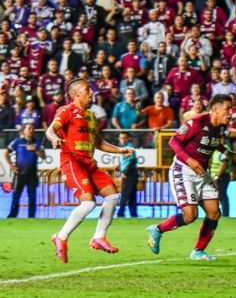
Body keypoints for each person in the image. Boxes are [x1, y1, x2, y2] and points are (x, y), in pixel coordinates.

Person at [46, 79, 135, 263]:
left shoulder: (91, 116)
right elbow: (50, 130)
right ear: (76, 93)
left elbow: (99, 143)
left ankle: (99, 237)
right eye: (87, 90)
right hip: (72, 161)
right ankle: (60, 237)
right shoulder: (66, 111)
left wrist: (120, 150)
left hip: (89, 163)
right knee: (88, 204)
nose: (91, 93)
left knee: (112, 196)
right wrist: (54, 139)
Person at [146, 95, 236, 261]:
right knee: (190, 215)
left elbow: (213, 142)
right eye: (227, 109)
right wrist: (190, 160)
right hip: (183, 170)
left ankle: (198, 251)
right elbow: (174, 141)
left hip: (201, 173)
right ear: (215, 110)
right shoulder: (196, 123)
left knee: (214, 212)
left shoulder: (220, 128)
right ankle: (157, 230)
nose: (230, 113)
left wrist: (227, 152)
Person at [5, 123, 45, 218]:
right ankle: (12, 216)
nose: (31, 130)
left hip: (32, 174)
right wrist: (11, 166)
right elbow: (6, 153)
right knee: (16, 196)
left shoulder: (37, 142)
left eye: (33, 129)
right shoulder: (17, 141)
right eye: (29, 128)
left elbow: (43, 156)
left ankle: (31, 217)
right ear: (24, 130)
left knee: (32, 197)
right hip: (19, 174)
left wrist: (35, 150)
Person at [116, 132, 139, 218]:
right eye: (121, 138)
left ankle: (120, 213)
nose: (123, 139)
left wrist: (125, 173)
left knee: (125, 194)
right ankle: (133, 214)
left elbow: (132, 161)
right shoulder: (125, 147)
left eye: (124, 138)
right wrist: (118, 165)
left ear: (128, 138)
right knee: (132, 195)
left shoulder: (129, 147)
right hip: (132, 173)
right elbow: (127, 161)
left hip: (130, 174)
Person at [210, 150, 231, 218]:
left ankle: (225, 214)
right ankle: (220, 214)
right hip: (216, 176)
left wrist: (217, 177)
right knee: (218, 195)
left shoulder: (224, 150)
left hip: (222, 176)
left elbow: (224, 163)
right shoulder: (216, 151)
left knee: (222, 195)